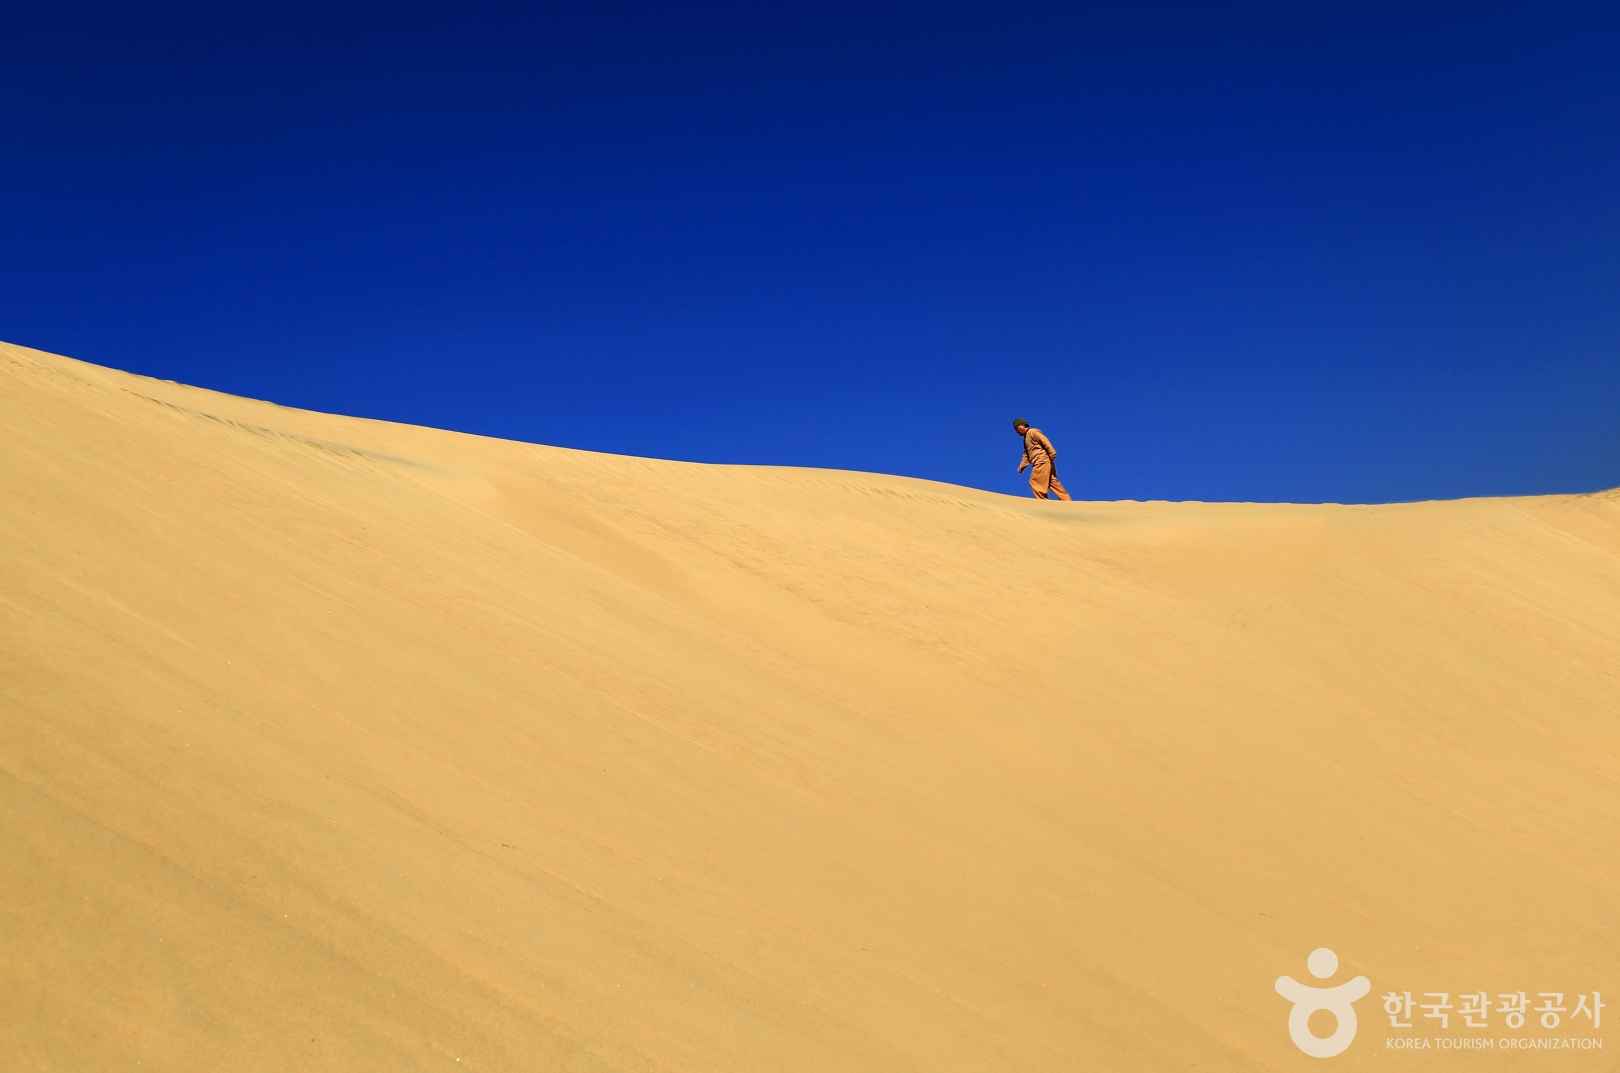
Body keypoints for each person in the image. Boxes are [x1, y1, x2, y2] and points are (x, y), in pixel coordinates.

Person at [1014, 418, 1071, 500]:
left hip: (1041, 460)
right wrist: (1022, 466)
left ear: (1023, 425)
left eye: (1017, 428)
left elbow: (1044, 440)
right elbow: (1026, 454)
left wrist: (1052, 452)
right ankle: (1066, 500)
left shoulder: (1032, 432)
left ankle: (1042, 502)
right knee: (1052, 482)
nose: (1017, 431)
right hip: (1044, 461)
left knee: (1034, 481)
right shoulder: (1026, 438)